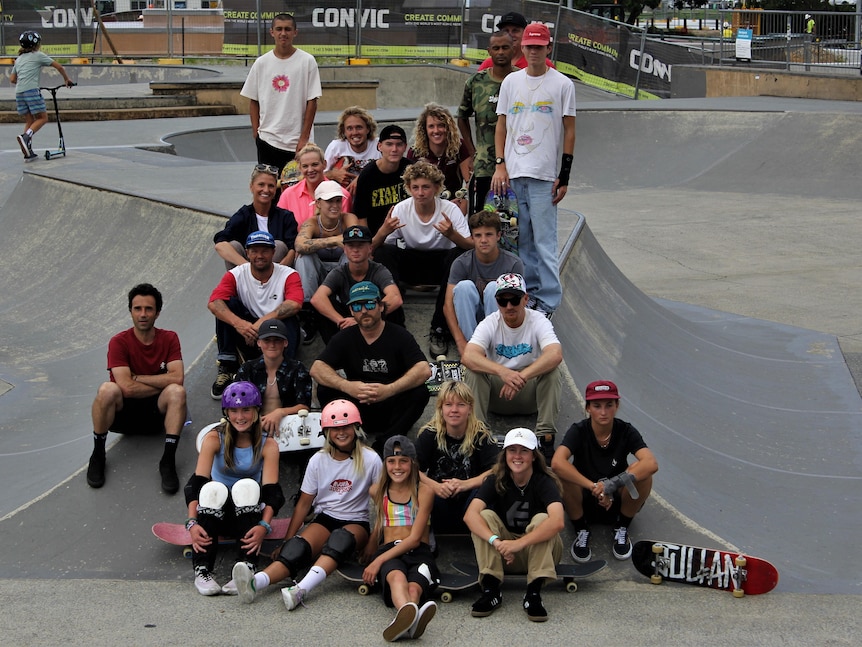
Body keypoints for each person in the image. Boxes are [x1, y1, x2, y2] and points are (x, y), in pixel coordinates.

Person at [232, 399, 382, 609]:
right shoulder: (318, 460)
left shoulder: (371, 459)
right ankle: (255, 582)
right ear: (326, 431)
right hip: (325, 518)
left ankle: (301, 589)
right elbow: (303, 504)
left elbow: (384, 505)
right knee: (297, 548)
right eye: (334, 428)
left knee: (340, 539)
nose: (341, 432)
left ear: (356, 427)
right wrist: (287, 539)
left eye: (346, 426)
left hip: (356, 522)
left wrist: (374, 540)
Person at [492, 22, 576, 317]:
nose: (534, 52)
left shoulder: (563, 84)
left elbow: (569, 130)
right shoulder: (510, 84)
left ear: (548, 48)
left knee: (544, 241)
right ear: (522, 48)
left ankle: (550, 301)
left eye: (540, 47)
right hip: (514, 174)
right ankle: (531, 295)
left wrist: (564, 174)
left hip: (544, 176)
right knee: (523, 240)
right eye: (530, 47)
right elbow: (501, 125)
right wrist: (500, 165)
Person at [184, 381, 284, 596]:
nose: (240, 416)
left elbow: (272, 493)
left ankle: (247, 565)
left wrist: (263, 526)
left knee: (246, 485)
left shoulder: (268, 445)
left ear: (256, 411)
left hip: (248, 517)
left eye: (246, 410)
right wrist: (192, 523)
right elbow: (196, 485)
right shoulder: (214, 438)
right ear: (227, 412)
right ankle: (202, 569)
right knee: (214, 489)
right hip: (214, 515)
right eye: (234, 410)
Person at [87, 283, 187, 493]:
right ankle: (98, 454)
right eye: (137, 308)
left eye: (148, 309)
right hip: (123, 417)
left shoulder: (169, 338)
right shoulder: (119, 342)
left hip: (156, 416)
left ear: (157, 313)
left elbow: (177, 379)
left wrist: (139, 377)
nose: (143, 314)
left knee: (177, 392)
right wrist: (162, 381)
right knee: (107, 389)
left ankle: (167, 460)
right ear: (130, 311)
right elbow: (126, 388)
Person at [310, 281, 431, 455]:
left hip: (391, 405)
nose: (364, 310)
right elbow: (317, 368)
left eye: (369, 304)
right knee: (325, 389)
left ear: (381, 306)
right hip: (356, 406)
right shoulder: (344, 337)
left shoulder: (399, 335)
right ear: (351, 311)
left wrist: (389, 390)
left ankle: (385, 443)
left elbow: (423, 369)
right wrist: (348, 387)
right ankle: (349, 438)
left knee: (420, 392)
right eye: (357, 306)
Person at [463, 427, 564, 622]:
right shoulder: (496, 478)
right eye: (512, 450)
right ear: (505, 454)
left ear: (534, 456)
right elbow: (470, 516)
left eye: (524, 450)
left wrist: (518, 544)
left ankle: (533, 594)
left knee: (543, 520)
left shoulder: (544, 481)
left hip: (538, 553)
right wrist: (496, 541)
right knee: (484, 516)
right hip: (503, 554)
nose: (517, 456)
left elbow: (558, 521)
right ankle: (491, 591)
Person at [373, 160, 473, 358]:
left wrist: (453, 235)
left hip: (442, 265)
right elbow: (374, 247)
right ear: (409, 188)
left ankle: (439, 328)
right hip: (412, 262)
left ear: (436, 188)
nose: (420, 193)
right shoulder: (401, 209)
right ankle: (394, 322)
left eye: (426, 187)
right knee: (384, 251)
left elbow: (471, 246)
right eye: (415, 187)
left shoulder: (449, 209)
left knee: (459, 255)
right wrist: (383, 231)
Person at [551, 380, 658, 562]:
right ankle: (581, 529)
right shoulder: (578, 430)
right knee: (561, 475)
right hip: (585, 500)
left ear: (617, 406)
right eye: (597, 406)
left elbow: (651, 463)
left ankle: (622, 526)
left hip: (615, 501)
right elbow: (557, 463)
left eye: (609, 405)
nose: (603, 412)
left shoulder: (625, 430)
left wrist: (611, 485)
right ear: (588, 408)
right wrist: (595, 487)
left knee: (642, 473)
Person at [461, 273, 562, 462]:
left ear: (525, 299)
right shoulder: (490, 322)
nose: (508, 307)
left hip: (530, 393)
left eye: (514, 300)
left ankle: (546, 438)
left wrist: (521, 376)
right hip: (498, 394)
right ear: (496, 301)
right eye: (502, 301)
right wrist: (503, 372)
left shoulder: (539, 321)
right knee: (473, 370)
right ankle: (479, 436)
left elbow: (555, 354)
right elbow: (468, 355)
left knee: (553, 371)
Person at [208, 231, 303, 399]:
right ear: (247, 253)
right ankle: (228, 364)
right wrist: (240, 324)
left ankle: (283, 366)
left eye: (265, 250)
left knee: (289, 317)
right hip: (247, 330)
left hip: (275, 328)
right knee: (225, 305)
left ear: (273, 252)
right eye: (254, 251)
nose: (259, 255)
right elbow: (214, 302)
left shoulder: (288, 274)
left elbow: (295, 303)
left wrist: (260, 324)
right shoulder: (236, 274)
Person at [363, 435, 438, 642]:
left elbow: (415, 539)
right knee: (397, 578)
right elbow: (383, 518)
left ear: (413, 464)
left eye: (404, 461)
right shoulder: (378, 490)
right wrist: (372, 543)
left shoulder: (424, 491)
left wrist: (377, 561)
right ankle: (411, 620)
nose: (397, 467)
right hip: (389, 551)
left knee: (413, 587)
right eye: (391, 461)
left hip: (418, 551)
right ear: (385, 463)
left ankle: (406, 618)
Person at [240, 13, 321, 174]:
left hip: (298, 143)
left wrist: (304, 138)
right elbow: (253, 100)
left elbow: (312, 101)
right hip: (268, 139)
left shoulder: (307, 61)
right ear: (272, 32)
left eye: (287, 29)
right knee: (270, 190)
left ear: (295, 32)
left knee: (297, 190)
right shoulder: (262, 63)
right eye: (279, 29)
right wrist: (256, 132)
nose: (283, 33)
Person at [415, 380, 499, 535]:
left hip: (472, 503)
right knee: (417, 485)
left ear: (470, 408)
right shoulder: (429, 434)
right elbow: (412, 469)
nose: (454, 410)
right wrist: (435, 486)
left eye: (460, 404)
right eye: (448, 405)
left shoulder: (481, 435)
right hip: (438, 501)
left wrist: (466, 484)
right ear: (441, 408)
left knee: (492, 484)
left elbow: (497, 470)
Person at [444, 210, 524, 356]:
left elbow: (519, 305)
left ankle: (495, 348)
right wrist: (460, 341)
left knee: (495, 287)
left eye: (488, 234)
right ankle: (473, 348)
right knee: (463, 287)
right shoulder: (461, 262)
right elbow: (448, 305)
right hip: (471, 323)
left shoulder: (513, 264)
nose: (483, 240)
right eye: (478, 235)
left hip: (501, 326)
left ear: (498, 236)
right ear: (472, 238)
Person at [310, 224, 404, 343]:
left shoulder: (379, 270)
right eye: (351, 246)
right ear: (344, 249)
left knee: (395, 310)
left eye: (360, 245)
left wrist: (360, 318)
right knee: (326, 307)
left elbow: (396, 298)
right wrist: (341, 321)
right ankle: (336, 350)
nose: (355, 250)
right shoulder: (339, 272)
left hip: (373, 317)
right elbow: (317, 298)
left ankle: (393, 346)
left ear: (370, 248)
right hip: (349, 317)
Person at [293, 179, 360, 343]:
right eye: (329, 201)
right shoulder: (312, 223)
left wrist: (336, 241)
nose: (335, 205)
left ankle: (346, 303)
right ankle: (308, 311)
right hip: (318, 277)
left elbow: (356, 240)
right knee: (304, 258)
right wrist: (334, 240)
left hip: (341, 274)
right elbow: (300, 245)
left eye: (338, 200)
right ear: (318, 203)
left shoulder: (349, 218)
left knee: (351, 253)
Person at [458, 31, 517, 214]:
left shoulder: (521, 81)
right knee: (481, 218)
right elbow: (462, 117)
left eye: (505, 47)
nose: (501, 52)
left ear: (513, 49)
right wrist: (472, 151)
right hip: (484, 166)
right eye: (496, 48)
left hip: (516, 165)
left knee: (512, 221)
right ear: (489, 51)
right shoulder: (476, 82)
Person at [235, 319, 313, 436]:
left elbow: (304, 407)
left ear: (285, 343)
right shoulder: (247, 369)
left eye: (277, 340)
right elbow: (236, 404)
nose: (272, 345)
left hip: (289, 429)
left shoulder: (298, 369)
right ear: (259, 342)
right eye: (267, 340)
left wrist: (280, 412)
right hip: (253, 430)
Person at [213, 163, 298, 269]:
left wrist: (277, 271)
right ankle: (238, 285)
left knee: (279, 246)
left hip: (276, 274)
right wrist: (247, 267)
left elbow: (293, 249)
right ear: (251, 187)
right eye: (261, 185)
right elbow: (220, 243)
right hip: (247, 273)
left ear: (275, 190)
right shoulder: (243, 215)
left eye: (271, 186)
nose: (266, 190)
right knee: (233, 245)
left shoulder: (286, 217)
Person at [10, 30, 73, 162]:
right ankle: (26, 137)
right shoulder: (38, 55)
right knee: (43, 118)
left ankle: (28, 151)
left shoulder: (19, 59)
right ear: (36, 44)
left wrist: (24, 81)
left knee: (29, 121)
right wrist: (67, 80)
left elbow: (12, 79)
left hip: (19, 92)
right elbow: (59, 67)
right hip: (31, 91)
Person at [407, 103, 472, 213]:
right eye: (431, 126)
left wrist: (463, 200)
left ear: (448, 128)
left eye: (441, 125)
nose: (436, 131)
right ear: (424, 129)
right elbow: (410, 187)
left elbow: (469, 181)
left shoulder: (459, 146)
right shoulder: (415, 153)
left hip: (454, 204)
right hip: (426, 205)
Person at [352, 125, 412, 236]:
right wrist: (368, 244)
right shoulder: (367, 175)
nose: (394, 149)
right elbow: (361, 216)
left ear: (405, 147)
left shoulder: (411, 169)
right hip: (378, 237)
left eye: (399, 145)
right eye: (389, 144)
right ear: (379, 146)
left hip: (408, 235)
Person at [278, 143, 351, 229]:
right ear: (300, 168)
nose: (310, 170)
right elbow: (280, 227)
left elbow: (345, 230)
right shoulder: (288, 195)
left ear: (324, 164)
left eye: (315, 164)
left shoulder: (342, 195)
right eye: (305, 166)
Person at [324, 106, 380, 192]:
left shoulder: (379, 145)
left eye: (359, 127)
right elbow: (321, 174)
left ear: (368, 129)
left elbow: (391, 171)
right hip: (343, 197)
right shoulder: (336, 147)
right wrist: (334, 175)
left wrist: (362, 178)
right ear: (344, 131)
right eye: (349, 128)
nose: (354, 132)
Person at [476, 12, 555, 72]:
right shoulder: (489, 64)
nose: (510, 35)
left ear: (524, 33)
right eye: (506, 31)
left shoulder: (541, 63)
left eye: (515, 30)